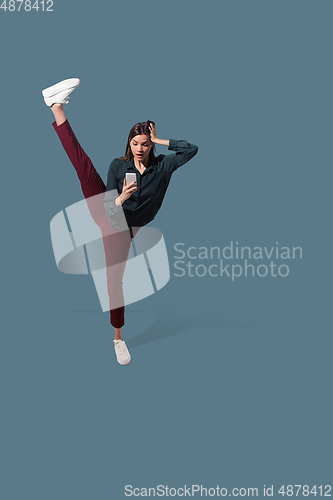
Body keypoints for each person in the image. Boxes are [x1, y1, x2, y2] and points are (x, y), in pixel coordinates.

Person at [42, 78, 198, 365]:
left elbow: (191, 149)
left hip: (127, 228)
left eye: (145, 144)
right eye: (135, 143)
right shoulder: (118, 165)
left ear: (151, 144)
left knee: (114, 280)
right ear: (129, 143)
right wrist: (121, 198)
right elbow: (107, 207)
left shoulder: (164, 166)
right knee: (83, 166)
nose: (139, 148)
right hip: (110, 214)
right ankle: (56, 107)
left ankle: (116, 336)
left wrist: (160, 138)